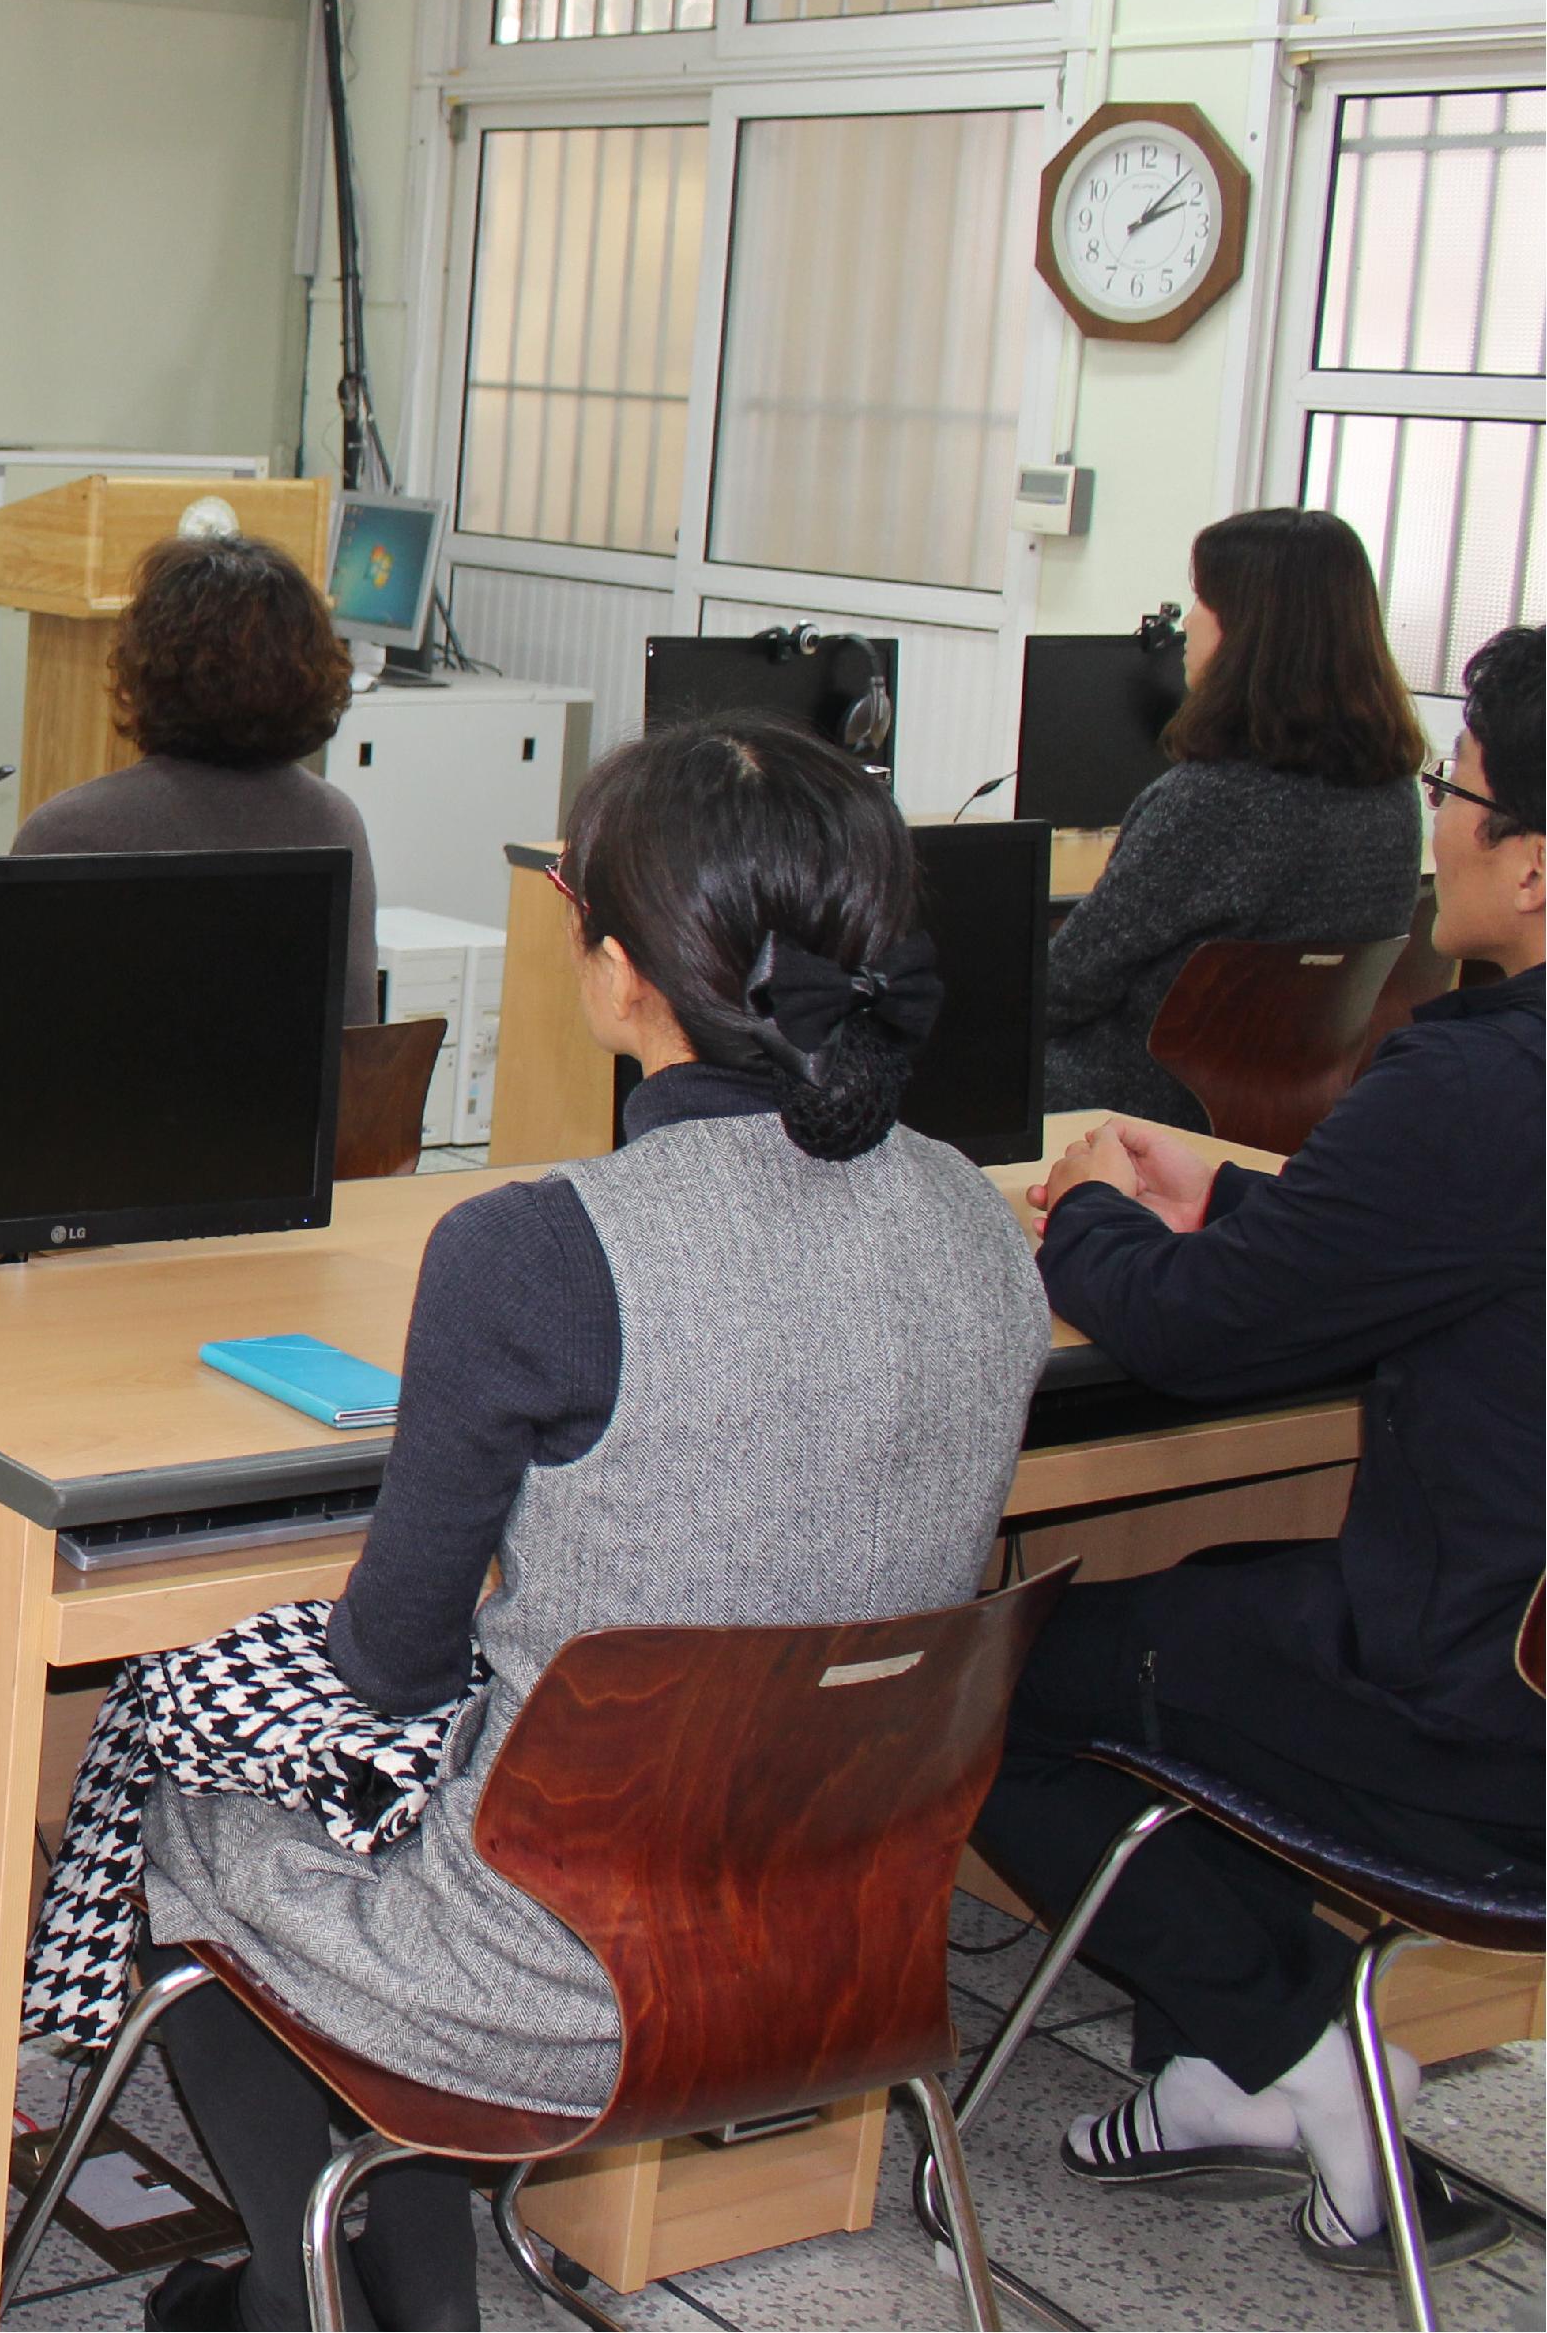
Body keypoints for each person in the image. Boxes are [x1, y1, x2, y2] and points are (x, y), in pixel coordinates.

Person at [133, 717, 1050, 2330]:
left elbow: (394, 1663)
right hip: (842, 1948)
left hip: (551, 1979)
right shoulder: (980, 1221)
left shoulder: (537, 1251)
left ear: (618, 967)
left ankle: (323, 2299)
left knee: (180, 1779)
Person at [981, 622, 1541, 2277]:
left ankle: (1300, 2050)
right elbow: (1450, 1249)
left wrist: (1084, 1215)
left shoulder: (1485, 1087)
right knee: (1201, 1594)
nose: (1433, 819)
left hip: (1469, 1714)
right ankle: (1216, 2066)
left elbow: (1205, 1333)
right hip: (1515, 1655)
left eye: (1462, 790)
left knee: (988, 1678)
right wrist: (1226, 1195)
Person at [1045, 508, 1423, 1126]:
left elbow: (1065, 986)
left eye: (1204, 600)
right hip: (1291, 1113)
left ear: (1255, 630)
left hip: (1137, 1103)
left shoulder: (1213, 800)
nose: (1188, 623)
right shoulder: (1392, 794)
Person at [14, 529, 382, 1029]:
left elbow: (20, 1040)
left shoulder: (71, 833)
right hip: (291, 1109)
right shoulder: (335, 821)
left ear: (143, 667)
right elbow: (356, 1044)